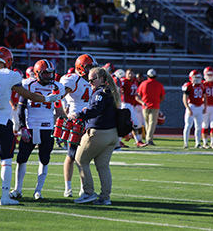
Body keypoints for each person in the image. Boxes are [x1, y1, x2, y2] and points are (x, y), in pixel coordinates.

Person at [0, 46, 61, 205]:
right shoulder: (11, 75)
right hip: (3, 122)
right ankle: (5, 197)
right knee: (6, 161)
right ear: (8, 60)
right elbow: (29, 96)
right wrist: (47, 99)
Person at [10, 59, 65, 200]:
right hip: (30, 126)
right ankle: (18, 189)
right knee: (21, 159)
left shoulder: (57, 86)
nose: (48, 76)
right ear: (37, 73)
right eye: (45, 73)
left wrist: (61, 125)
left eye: (49, 73)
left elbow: (58, 109)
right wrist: (22, 127)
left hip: (47, 127)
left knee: (45, 159)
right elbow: (21, 107)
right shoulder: (28, 84)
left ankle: (38, 190)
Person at [69, 67, 120, 205]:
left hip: (99, 132)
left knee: (80, 160)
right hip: (112, 134)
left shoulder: (100, 93)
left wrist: (79, 114)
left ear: (102, 79)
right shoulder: (110, 91)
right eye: (89, 80)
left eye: (93, 79)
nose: (90, 82)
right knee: (103, 166)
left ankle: (88, 193)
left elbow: (95, 110)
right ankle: (105, 197)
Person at [59, 54, 97, 198]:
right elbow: (62, 94)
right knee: (72, 154)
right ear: (81, 67)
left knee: (85, 156)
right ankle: (68, 188)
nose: (91, 69)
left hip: (90, 119)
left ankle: (84, 188)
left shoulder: (93, 80)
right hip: (76, 120)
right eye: (89, 66)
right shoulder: (73, 79)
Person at [135, 69, 165, 146]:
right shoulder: (159, 84)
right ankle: (149, 140)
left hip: (145, 106)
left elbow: (138, 95)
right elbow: (162, 96)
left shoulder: (143, 84)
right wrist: (158, 102)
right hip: (155, 106)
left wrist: (143, 102)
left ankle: (148, 139)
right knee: (152, 123)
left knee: (147, 124)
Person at [121, 68, 147, 147]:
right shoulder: (123, 81)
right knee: (127, 123)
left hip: (131, 105)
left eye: (132, 73)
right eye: (129, 73)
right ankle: (133, 139)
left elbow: (136, 95)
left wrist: (142, 102)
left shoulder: (135, 81)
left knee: (136, 123)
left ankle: (138, 141)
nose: (130, 75)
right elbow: (118, 89)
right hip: (125, 104)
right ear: (125, 74)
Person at [182, 70, 207, 148]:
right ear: (191, 78)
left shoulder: (202, 85)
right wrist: (188, 108)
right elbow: (184, 99)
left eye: (198, 77)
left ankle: (198, 143)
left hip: (200, 107)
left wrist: (205, 107)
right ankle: (185, 143)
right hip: (192, 106)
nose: (197, 79)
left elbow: (205, 98)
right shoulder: (188, 86)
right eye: (195, 77)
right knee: (188, 125)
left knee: (199, 126)